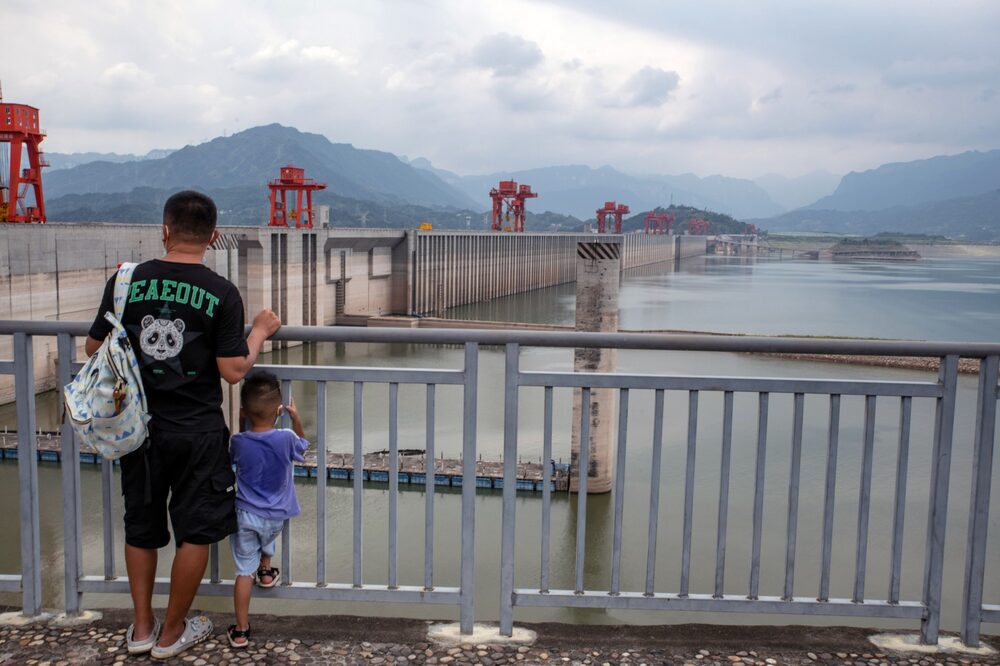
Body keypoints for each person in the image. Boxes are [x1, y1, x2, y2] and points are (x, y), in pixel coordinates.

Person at [85, 190, 281, 660]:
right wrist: (258, 331)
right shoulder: (220, 292)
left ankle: (141, 628)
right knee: (194, 532)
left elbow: (94, 349)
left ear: (165, 229)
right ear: (213, 237)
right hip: (197, 432)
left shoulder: (125, 280)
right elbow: (234, 370)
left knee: (141, 527)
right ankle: (172, 635)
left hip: (138, 430)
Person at [227, 371, 309, 648]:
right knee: (267, 534)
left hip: (245, 515)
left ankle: (240, 630)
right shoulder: (286, 437)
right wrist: (296, 417)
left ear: (244, 411)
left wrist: (240, 422)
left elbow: (234, 459)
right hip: (276, 517)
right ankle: (266, 571)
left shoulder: (239, 442)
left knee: (242, 572)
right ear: (278, 410)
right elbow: (303, 448)